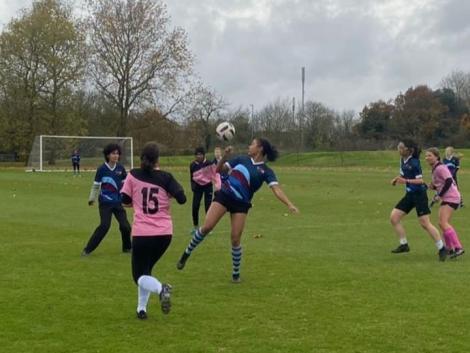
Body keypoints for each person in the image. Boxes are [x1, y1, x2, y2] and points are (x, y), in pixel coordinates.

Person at [177, 138, 299, 282]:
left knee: (235, 239)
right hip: (224, 195)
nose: (249, 146)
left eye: (252, 144)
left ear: (260, 149)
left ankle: (236, 275)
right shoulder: (241, 159)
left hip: (241, 204)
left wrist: (289, 204)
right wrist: (225, 156)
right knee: (207, 227)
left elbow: (276, 189)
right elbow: (217, 170)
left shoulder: (266, 171)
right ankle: (186, 253)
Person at [121, 142, 187, 319]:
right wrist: (169, 193)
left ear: (141, 157)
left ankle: (161, 289)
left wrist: (136, 201)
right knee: (146, 271)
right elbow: (182, 198)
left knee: (139, 276)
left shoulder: (133, 175)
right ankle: (141, 309)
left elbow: (124, 199)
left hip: (143, 233)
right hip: (164, 234)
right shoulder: (166, 177)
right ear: (158, 159)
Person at [390, 139, 447, 261]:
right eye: (398, 147)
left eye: (401, 147)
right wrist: (397, 179)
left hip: (420, 195)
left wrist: (406, 181)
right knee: (394, 217)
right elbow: (404, 176)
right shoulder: (402, 160)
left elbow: (420, 181)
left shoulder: (415, 163)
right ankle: (404, 244)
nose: (398, 149)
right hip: (410, 195)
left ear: (408, 149)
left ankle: (442, 248)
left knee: (425, 224)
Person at [82, 144, 132, 256]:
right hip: (105, 204)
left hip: (118, 203)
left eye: (117, 153)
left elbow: (126, 185)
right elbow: (96, 185)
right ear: (107, 155)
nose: (116, 155)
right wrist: (92, 198)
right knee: (104, 226)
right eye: (113, 153)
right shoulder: (101, 169)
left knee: (126, 226)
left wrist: (128, 198)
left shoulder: (120, 168)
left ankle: (127, 248)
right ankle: (87, 250)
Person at [425, 148, 464, 259]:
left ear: (436, 157)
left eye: (430, 155)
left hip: (451, 197)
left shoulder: (440, 168)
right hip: (448, 197)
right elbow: (438, 184)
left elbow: (449, 181)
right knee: (442, 223)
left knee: (443, 223)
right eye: (426, 156)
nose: (427, 158)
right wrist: (428, 186)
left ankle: (457, 247)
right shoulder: (435, 168)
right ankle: (450, 249)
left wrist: (439, 195)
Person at [189, 147, 214, 231]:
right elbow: (191, 177)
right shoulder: (192, 165)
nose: (199, 156)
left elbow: (214, 175)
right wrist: (193, 186)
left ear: (204, 155)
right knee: (195, 207)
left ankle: (208, 228)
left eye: (200, 154)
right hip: (198, 188)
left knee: (208, 207)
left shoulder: (209, 163)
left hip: (208, 187)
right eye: (197, 154)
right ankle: (195, 227)